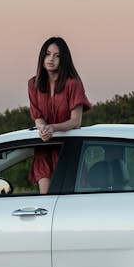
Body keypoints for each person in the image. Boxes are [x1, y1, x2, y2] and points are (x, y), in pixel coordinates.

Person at [28, 36, 91, 193]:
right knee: (46, 203)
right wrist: (43, 128)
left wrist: (52, 128)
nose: (51, 59)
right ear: (42, 56)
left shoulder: (72, 84)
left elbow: (76, 121)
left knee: (67, 206)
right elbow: (38, 116)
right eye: (48, 54)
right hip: (44, 149)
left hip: (68, 149)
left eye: (57, 56)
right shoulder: (33, 84)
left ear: (64, 60)